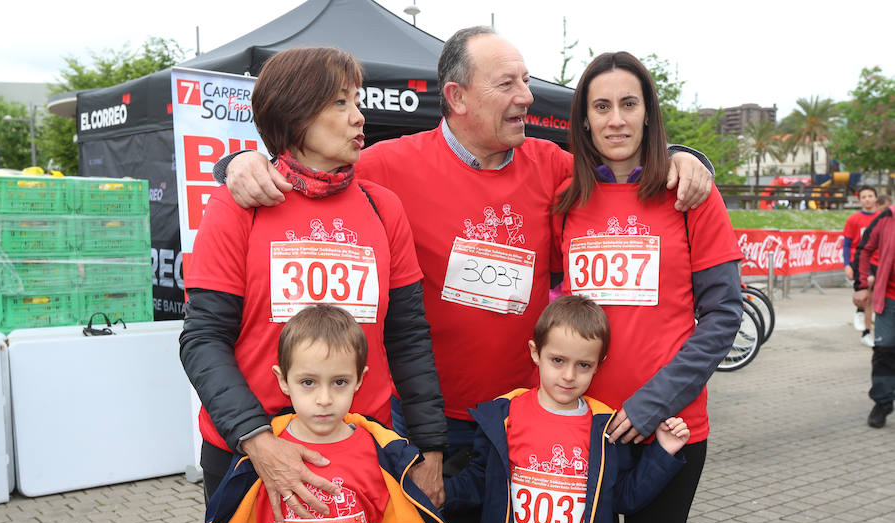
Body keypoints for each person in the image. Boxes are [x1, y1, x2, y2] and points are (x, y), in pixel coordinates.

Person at [216, 28, 716, 492]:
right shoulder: (389, 166)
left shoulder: (552, 165)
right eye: (508, 84)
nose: (526, 95)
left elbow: (619, 169)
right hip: (431, 420)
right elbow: (305, 163)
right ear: (456, 97)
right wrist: (237, 162)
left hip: (525, 413)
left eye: (525, 80)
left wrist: (685, 157)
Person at [180, 47, 446, 521]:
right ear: (296, 113)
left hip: (360, 447)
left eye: (357, 101)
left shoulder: (383, 208)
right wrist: (258, 442)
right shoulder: (239, 204)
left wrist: (429, 448)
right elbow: (203, 338)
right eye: (341, 103)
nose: (359, 116)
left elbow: (407, 337)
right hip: (251, 454)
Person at [145, 305, 499, 523]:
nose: (325, 398)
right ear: (282, 380)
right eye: (308, 382)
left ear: (360, 379)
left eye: (339, 382)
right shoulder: (264, 455)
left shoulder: (379, 452)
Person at [552, 52, 742, 523]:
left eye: (628, 104)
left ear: (648, 113)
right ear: (584, 119)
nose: (616, 119)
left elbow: (724, 314)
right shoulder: (565, 199)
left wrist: (651, 403)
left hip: (667, 431)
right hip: (581, 428)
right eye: (602, 106)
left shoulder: (690, 196)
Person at [443, 295, 690, 523]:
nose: (569, 376)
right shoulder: (504, 417)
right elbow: (480, 482)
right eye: (558, 360)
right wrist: (436, 492)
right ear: (536, 353)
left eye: (583, 365)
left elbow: (623, 496)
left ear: (598, 365)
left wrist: (663, 452)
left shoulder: (603, 429)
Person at [852, 203, 895, 427]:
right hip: (889, 298)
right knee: (885, 348)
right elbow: (864, 249)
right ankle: (883, 401)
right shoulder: (887, 217)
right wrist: (860, 285)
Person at [844, 185, 879, 346]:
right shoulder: (853, 219)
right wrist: (847, 265)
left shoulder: (882, 218)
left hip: (879, 261)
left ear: (876, 198)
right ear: (859, 200)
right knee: (866, 295)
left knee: (876, 298)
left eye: (870, 196)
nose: (867, 199)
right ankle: (865, 330)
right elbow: (847, 244)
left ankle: (873, 328)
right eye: (864, 197)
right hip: (859, 261)